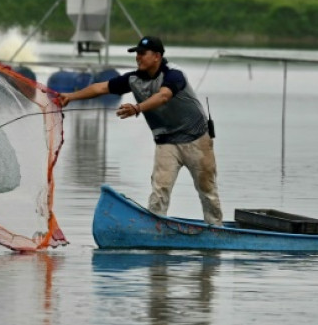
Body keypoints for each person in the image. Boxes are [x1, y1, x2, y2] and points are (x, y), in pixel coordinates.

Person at [58, 36, 223, 225]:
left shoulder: (173, 75)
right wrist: (71, 96)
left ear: (157, 56)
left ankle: (216, 228)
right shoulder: (133, 79)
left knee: (207, 190)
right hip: (166, 142)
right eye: (136, 53)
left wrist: (137, 108)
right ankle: (155, 229)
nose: (138, 57)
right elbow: (100, 87)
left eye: (142, 54)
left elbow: (163, 96)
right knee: (159, 191)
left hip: (196, 140)